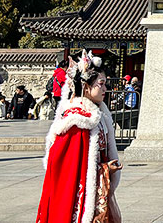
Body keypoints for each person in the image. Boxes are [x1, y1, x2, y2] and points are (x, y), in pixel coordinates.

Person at [36, 50, 122, 222]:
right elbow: (66, 168)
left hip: (98, 191)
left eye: (105, 84)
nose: (105, 89)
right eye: (101, 84)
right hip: (80, 195)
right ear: (85, 86)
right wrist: (104, 170)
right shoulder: (77, 121)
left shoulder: (97, 115)